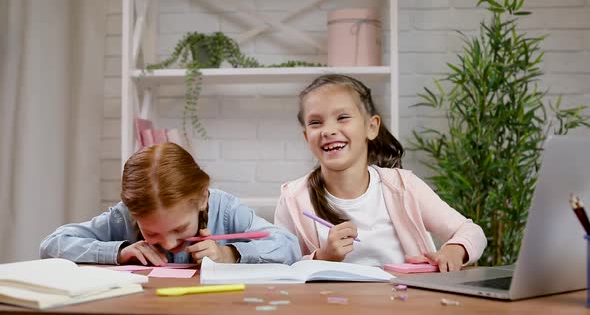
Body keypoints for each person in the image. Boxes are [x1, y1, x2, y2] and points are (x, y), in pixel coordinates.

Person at [274, 74, 486, 271]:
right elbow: (281, 266)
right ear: (306, 137)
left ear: (371, 127)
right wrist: (322, 257)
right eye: (315, 123)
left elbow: (472, 232)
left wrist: (455, 250)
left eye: (343, 117)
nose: (328, 130)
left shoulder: (403, 186)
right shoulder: (293, 199)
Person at [40, 142, 301, 265]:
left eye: (179, 229)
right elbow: (52, 245)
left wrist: (229, 253)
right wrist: (117, 252)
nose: (167, 244)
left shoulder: (226, 209)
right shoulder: (123, 216)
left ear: (201, 198)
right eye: (151, 232)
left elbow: (288, 246)